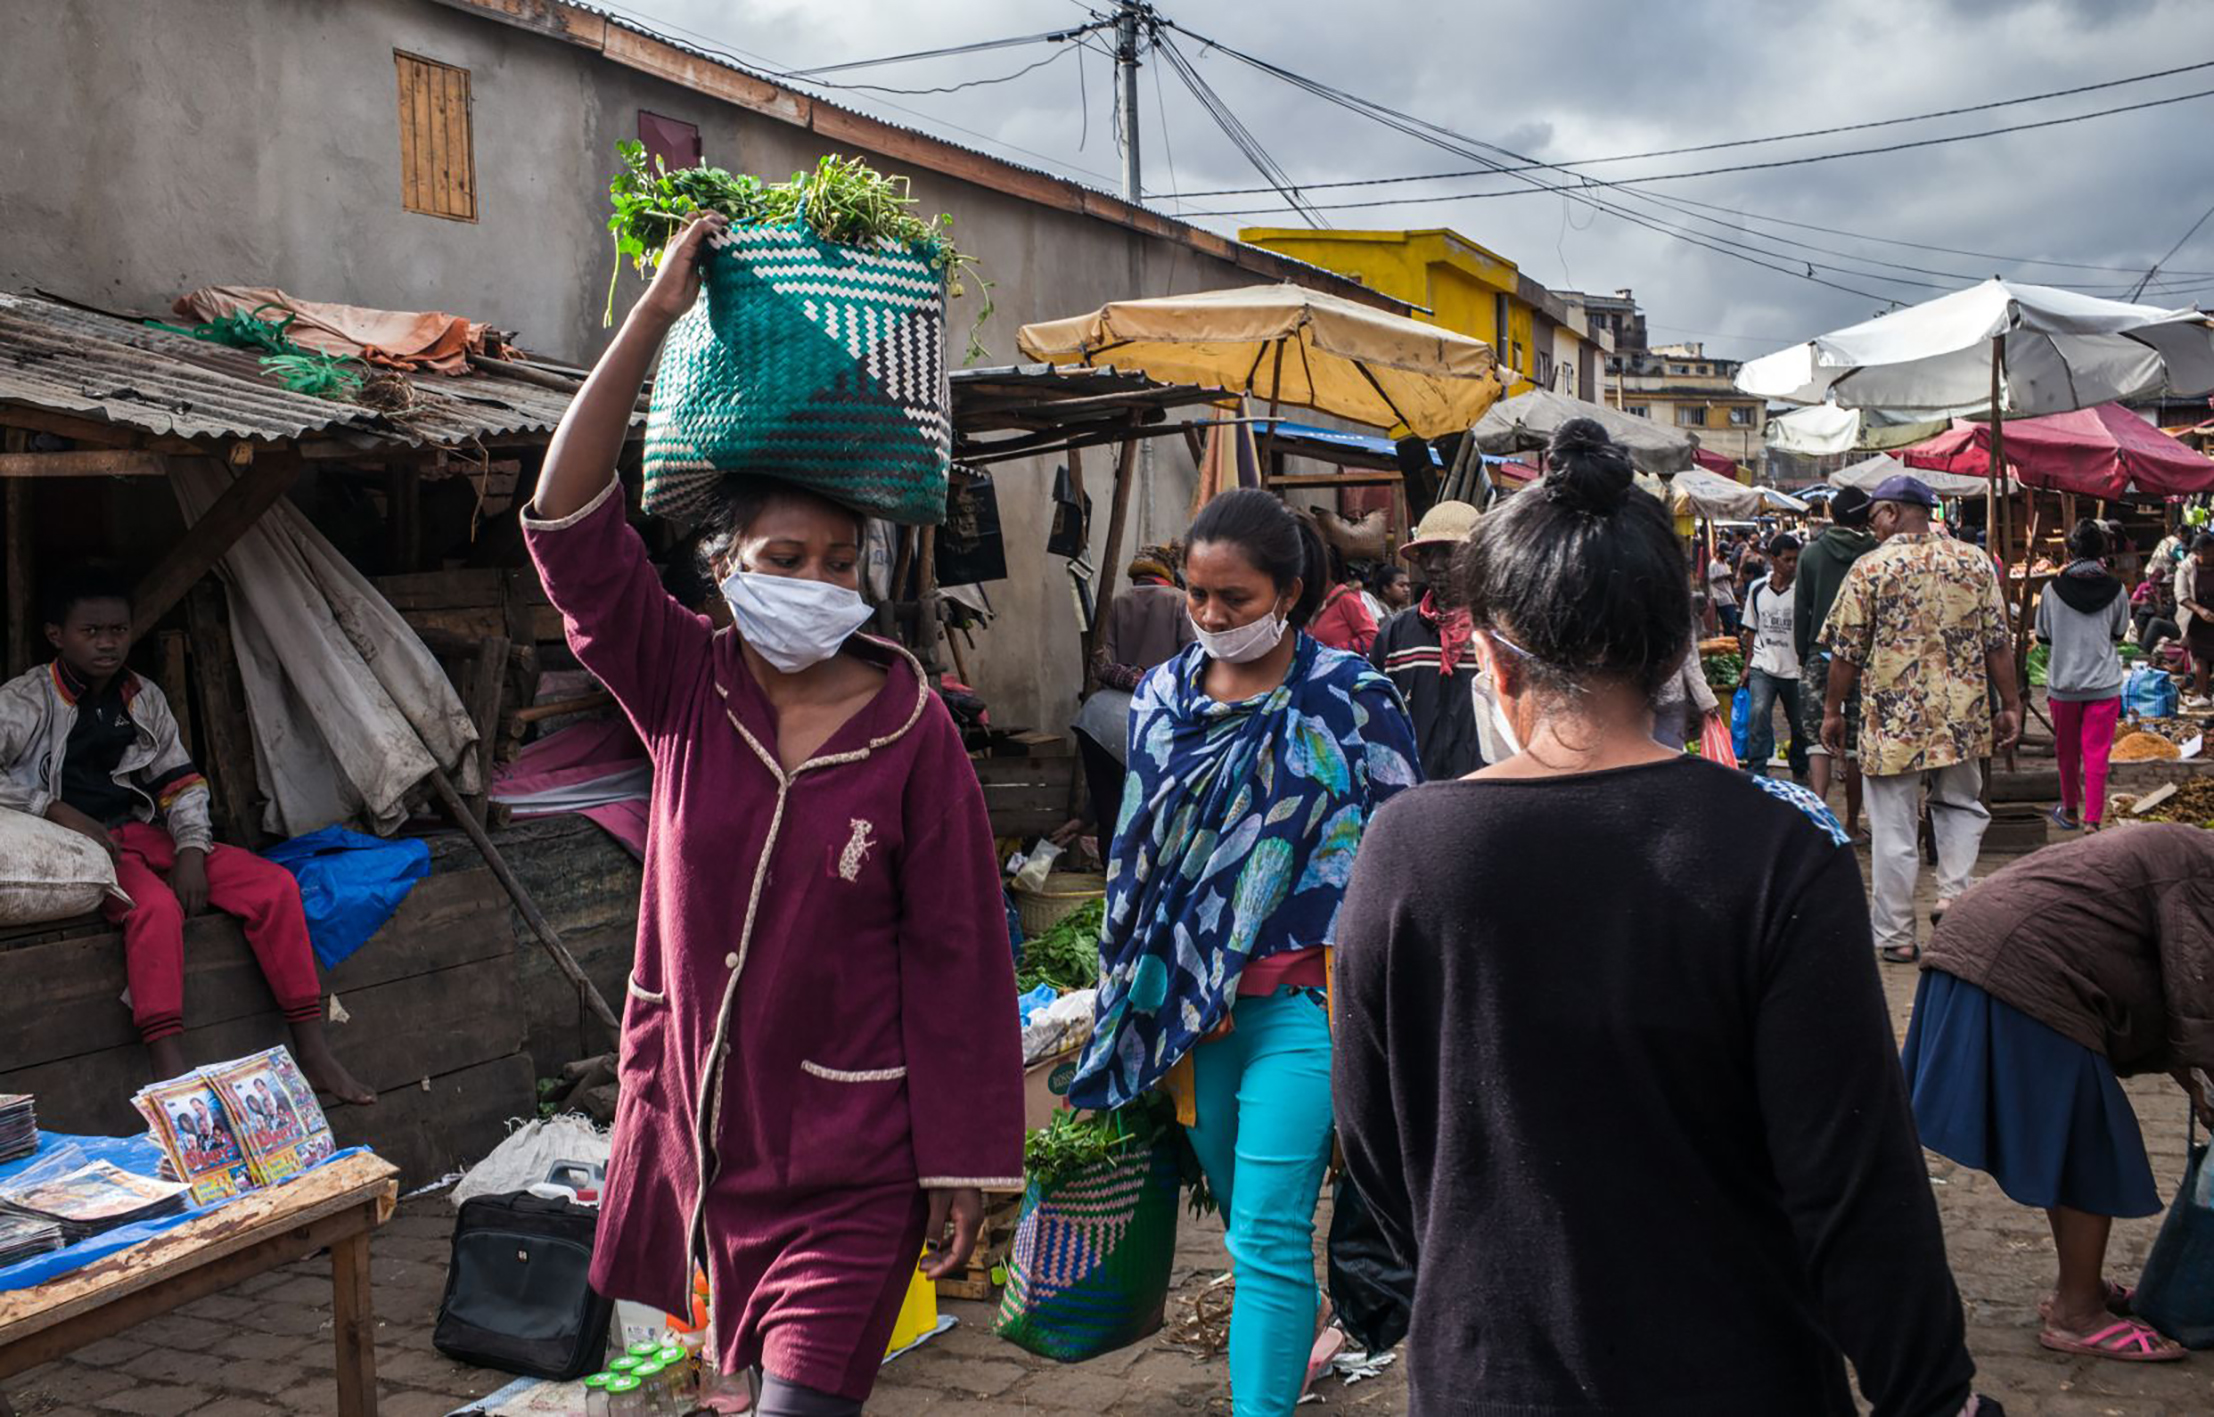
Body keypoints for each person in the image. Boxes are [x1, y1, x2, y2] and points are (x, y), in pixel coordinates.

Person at [1332, 418, 1992, 1417]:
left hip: (1487, 1374)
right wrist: (1933, 1399)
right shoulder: (1782, 854)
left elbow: (1377, 1147)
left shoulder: (1406, 849)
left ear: (1497, 668)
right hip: (1740, 1371)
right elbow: (1856, 1186)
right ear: (1678, 654)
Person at [524, 213, 1023, 1416]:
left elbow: (960, 955)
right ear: (722, 565)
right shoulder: (682, 684)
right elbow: (565, 525)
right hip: (703, 1156)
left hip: (856, 1165)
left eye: (840, 561)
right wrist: (651, 316)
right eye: (784, 556)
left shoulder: (912, 735)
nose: (814, 584)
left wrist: (964, 1158)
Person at [1068, 488, 1418, 1417]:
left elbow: (1400, 854)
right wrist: (1134, 998)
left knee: (1267, 1232)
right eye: (1198, 596)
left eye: (1237, 597)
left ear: (1290, 592)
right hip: (1188, 1012)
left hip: (1307, 1009)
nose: (1214, 616)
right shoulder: (1160, 698)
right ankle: (1291, 1347)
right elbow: (1136, 858)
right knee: (1244, 1227)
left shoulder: (1352, 697)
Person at [0, 568, 374, 1105]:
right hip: (84, 848)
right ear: (56, 635)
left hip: (145, 833)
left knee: (274, 887)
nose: (108, 643)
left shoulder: (141, 696)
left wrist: (193, 850)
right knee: (154, 910)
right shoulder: (25, 700)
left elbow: (182, 782)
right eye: (92, 631)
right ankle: (171, 1074)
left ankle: (312, 1049)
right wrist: (54, 808)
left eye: (119, 630)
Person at [1903, 825, 2214, 1363]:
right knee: (2088, 1142)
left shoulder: (2189, 852)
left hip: (1987, 947)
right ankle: (2077, 1315)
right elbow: (2198, 1000)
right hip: (2024, 965)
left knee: (2064, 1134)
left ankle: (2083, 1289)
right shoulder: (2200, 872)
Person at [1823, 475, 2022, 966]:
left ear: (1892, 513)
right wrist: (2011, 704)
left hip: (1893, 722)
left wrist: (1832, 711)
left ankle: (1895, 935)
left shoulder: (1870, 568)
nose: (1871, 529)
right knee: (1960, 807)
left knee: (1892, 828)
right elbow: (1998, 643)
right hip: (1963, 714)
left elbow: (1845, 654)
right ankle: (1954, 897)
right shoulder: (1975, 563)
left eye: (1873, 518)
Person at [1074, 545, 1193, 831]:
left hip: (1099, 720)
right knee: (1153, 816)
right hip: (1157, 722)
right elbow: (1192, 665)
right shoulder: (1181, 602)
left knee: (1109, 813)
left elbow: (1105, 664)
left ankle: (1109, 872)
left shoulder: (1116, 603)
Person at [1371, 500, 1483, 781]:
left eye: (1447, 552)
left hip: (1484, 794)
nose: (1433, 565)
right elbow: (1373, 717)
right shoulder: (1396, 633)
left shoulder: (1498, 633)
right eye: (1426, 553)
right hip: (1412, 792)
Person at [2036, 520, 2129, 832]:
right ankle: (2093, 819)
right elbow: (2118, 633)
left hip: (2065, 684)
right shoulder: (2117, 589)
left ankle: (2071, 812)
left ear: (2070, 550)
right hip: (2104, 684)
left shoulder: (2051, 590)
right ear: (2103, 551)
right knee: (2097, 754)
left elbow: (2043, 636)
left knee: (2067, 753)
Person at [1798, 487, 1877, 838]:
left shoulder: (1811, 554)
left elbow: (1802, 608)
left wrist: (1807, 652)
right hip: (1865, 659)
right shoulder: (1876, 554)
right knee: (1857, 745)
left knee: (1818, 740)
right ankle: (1851, 823)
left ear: (1833, 513)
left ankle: (1819, 821)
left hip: (1820, 653)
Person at [1739, 532, 1809, 781]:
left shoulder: (1802, 590)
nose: (1791, 565)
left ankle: (1800, 769)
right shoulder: (1757, 589)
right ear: (1772, 558)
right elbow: (1752, 630)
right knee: (1758, 714)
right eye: (1787, 559)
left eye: (1795, 560)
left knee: (1800, 725)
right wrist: (1747, 666)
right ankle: (1757, 770)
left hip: (1796, 669)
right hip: (1764, 666)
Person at [1306, 542, 1379, 655]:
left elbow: (1372, 638)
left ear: (1327, 572)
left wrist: (1332, 651)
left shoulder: (1346, 599)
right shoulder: (1306, 605)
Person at [2173, 532, 2214, 711]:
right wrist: (2200, 610)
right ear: (2197, 553)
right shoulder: (2185, 568)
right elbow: (2181, 596)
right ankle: (2203, 695)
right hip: (2196, 620)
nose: (2211, 557)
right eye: (2207, 554)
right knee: (2199, 657)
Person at [2132, 556, 2181, 663]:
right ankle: (2142, 645)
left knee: (2155, 622)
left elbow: (2162, 612)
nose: (2163, 587)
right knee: (2145, 612)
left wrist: (2157, 598)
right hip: (2169, 623)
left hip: (2179, 628)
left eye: (2166, 585)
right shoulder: (2146, 587)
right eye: (2162, 585)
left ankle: (2144, 653)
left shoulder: (2178, 596)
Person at [1706, 538, 1741, 633]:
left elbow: (1730, 577)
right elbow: (1712, 579)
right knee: (1729, 623)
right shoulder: (1713, 564)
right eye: (1724, 554)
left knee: (1732, 622)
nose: (1725, 556)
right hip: (1720, 597)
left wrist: (1731, 578)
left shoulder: (1725, 563)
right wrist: (1724, 576)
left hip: (1729, 595)